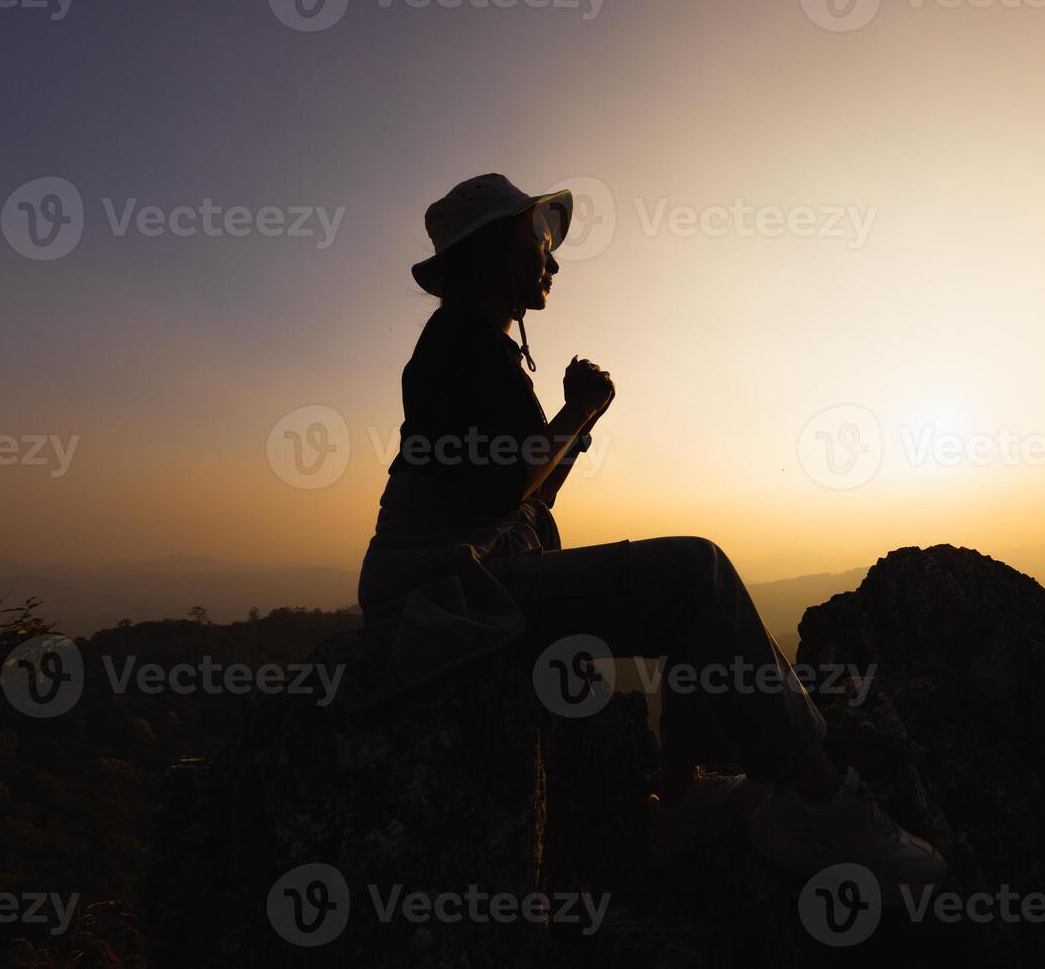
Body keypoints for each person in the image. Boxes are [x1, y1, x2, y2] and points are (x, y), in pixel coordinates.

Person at [357, 173, 945, 890]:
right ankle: (820, 804)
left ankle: (680, 796)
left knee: (681, 591)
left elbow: (518, 499)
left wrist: (582, 417)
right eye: (538, 238)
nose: (553, 257)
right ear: (488, 251)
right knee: (694, 575)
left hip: (468, 572)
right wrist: (578, 412)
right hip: (448, 588)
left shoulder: (475, 344)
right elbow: (512, 483)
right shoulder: (456, 341)